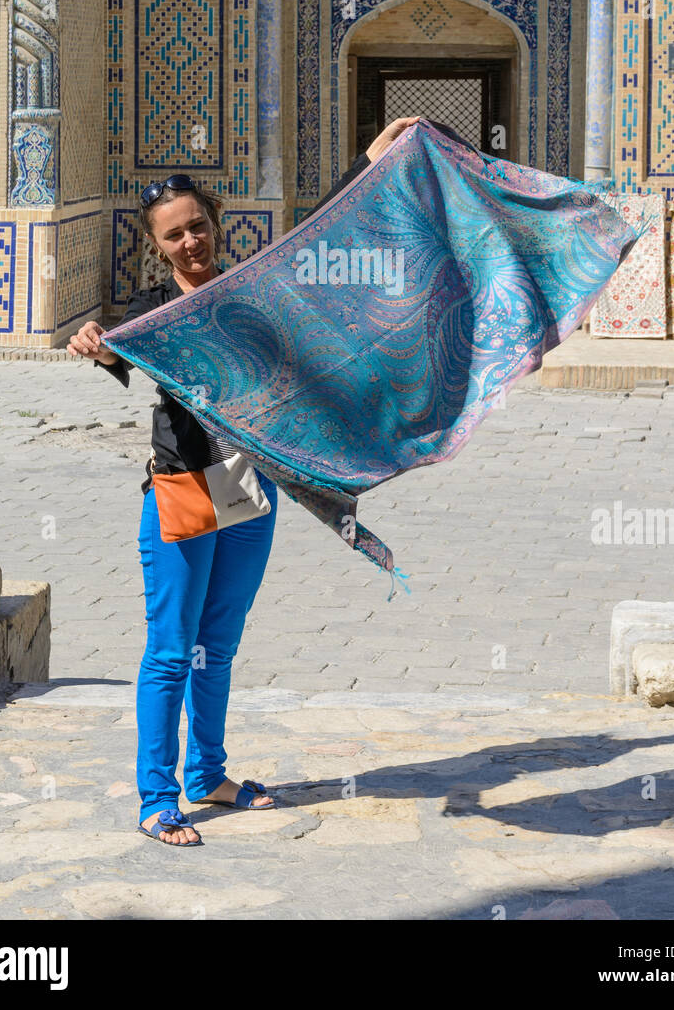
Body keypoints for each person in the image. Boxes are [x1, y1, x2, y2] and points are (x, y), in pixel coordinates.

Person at [67, 116, 421, 846]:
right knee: (171, 650)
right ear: (157, 246)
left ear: (215, 225)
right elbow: (116, 353)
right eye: (174, 236)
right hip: (184, 496)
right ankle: (158, 798)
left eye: (197, 227)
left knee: (217, 646)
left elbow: (318, 239)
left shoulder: (254, 289)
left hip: (251, 497)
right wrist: (95, 348)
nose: (189, 242)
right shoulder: (153, 310)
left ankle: (210, 776)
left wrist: (370, 161)